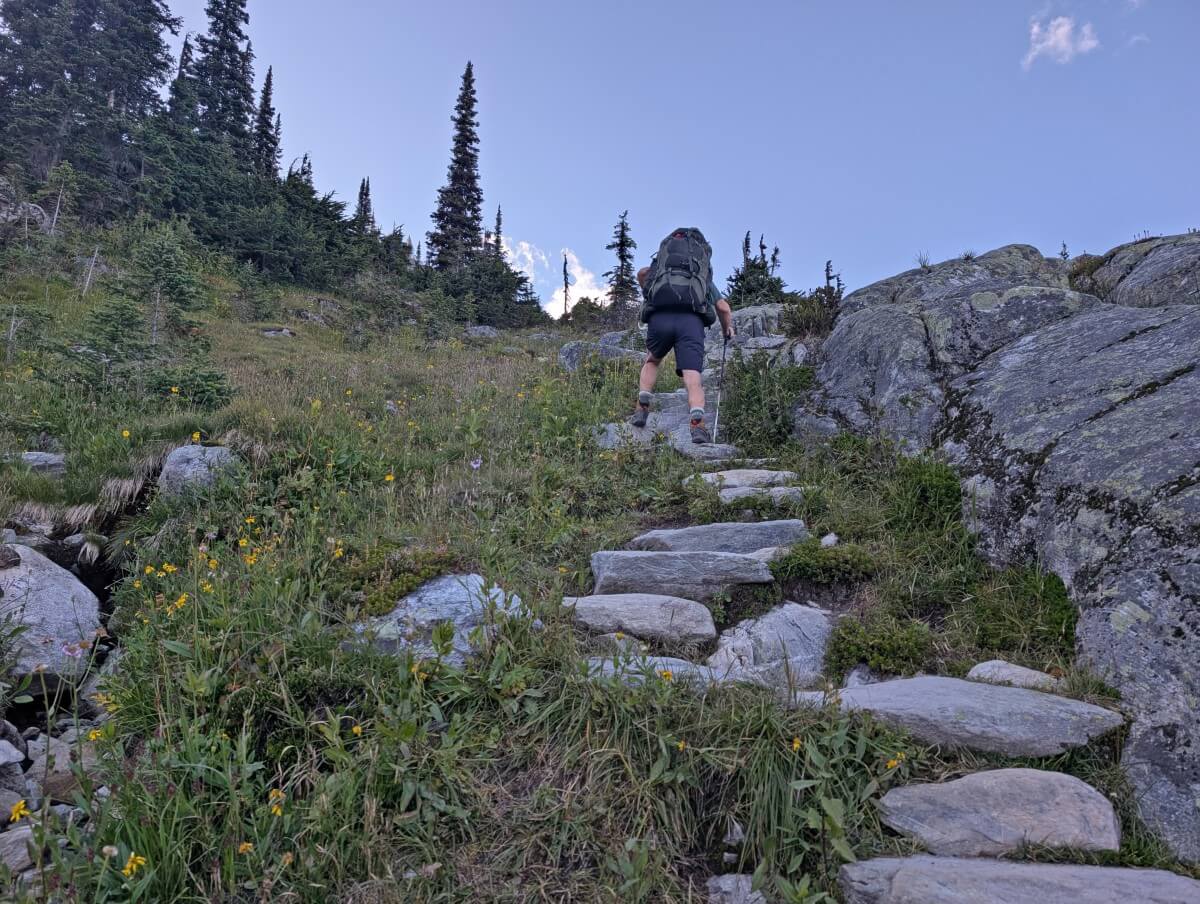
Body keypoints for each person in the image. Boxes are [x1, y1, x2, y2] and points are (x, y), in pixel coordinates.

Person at [629, 227, 734, 443]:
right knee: (692, 375)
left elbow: (641, 273)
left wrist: (648, 293)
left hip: (660, 318)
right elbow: (723, 308)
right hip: (691, 322)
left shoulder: (662, 271)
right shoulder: (701, 277)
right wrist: (727, 329)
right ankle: (697, 425)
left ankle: (642, 407)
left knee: (652, 360)